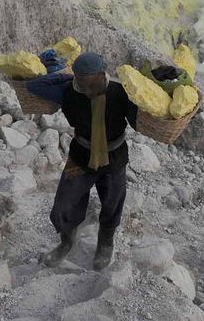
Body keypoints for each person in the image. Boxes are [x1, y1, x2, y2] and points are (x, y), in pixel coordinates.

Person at [27, 52, 138, 270]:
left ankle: (105, 243)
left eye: (90, 85)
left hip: (113, 157)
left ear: (102, 74)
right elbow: (33, 86)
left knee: (113, 202)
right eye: (81, 84)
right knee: (64, 203)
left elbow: (137, 121)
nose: (86, 91)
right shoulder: (68, 90)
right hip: (81, 155)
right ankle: (66, 242)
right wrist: (62, 76)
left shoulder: (121, 92)